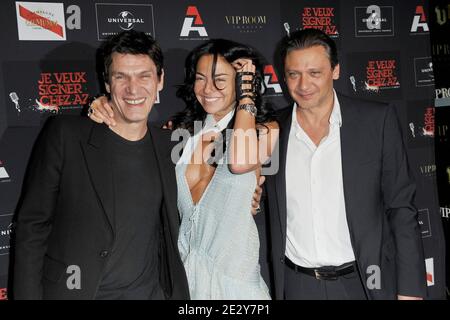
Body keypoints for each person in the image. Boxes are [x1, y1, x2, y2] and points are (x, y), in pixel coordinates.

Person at [88, 39, 279, 299]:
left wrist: (247, 93)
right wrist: (104, 104)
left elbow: (239, 161)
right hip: (184, 284)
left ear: (241, 82)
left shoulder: (266, 131)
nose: (208, 89)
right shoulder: (181, 135)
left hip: (237, 286)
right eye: (200, 78)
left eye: (220, 79)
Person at [12, 30, 190, 299]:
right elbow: (32, 227)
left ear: (160, 80)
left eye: (144, 75)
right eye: (121, 77)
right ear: (106, 83)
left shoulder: (170, 144)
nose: (133, 88)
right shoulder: (67, 135)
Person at [264, 29, 426, 300]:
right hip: (296, 285)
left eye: (314, 73)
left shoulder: (376, 121)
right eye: (294, 74)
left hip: (363, 282)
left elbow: (401, 208)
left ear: (335, 71)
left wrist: (410, 290)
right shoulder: (269, 130)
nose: (303, 85)